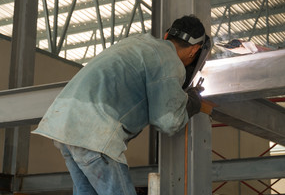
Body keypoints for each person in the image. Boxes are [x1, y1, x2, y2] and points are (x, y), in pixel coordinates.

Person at [32, 15, 207, 195]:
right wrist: (192, 101)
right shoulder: (169, 60)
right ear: (194, 50)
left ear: (166, 35)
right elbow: (168, 121)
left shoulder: (137, 42)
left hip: (64, 128)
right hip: (93, 134)